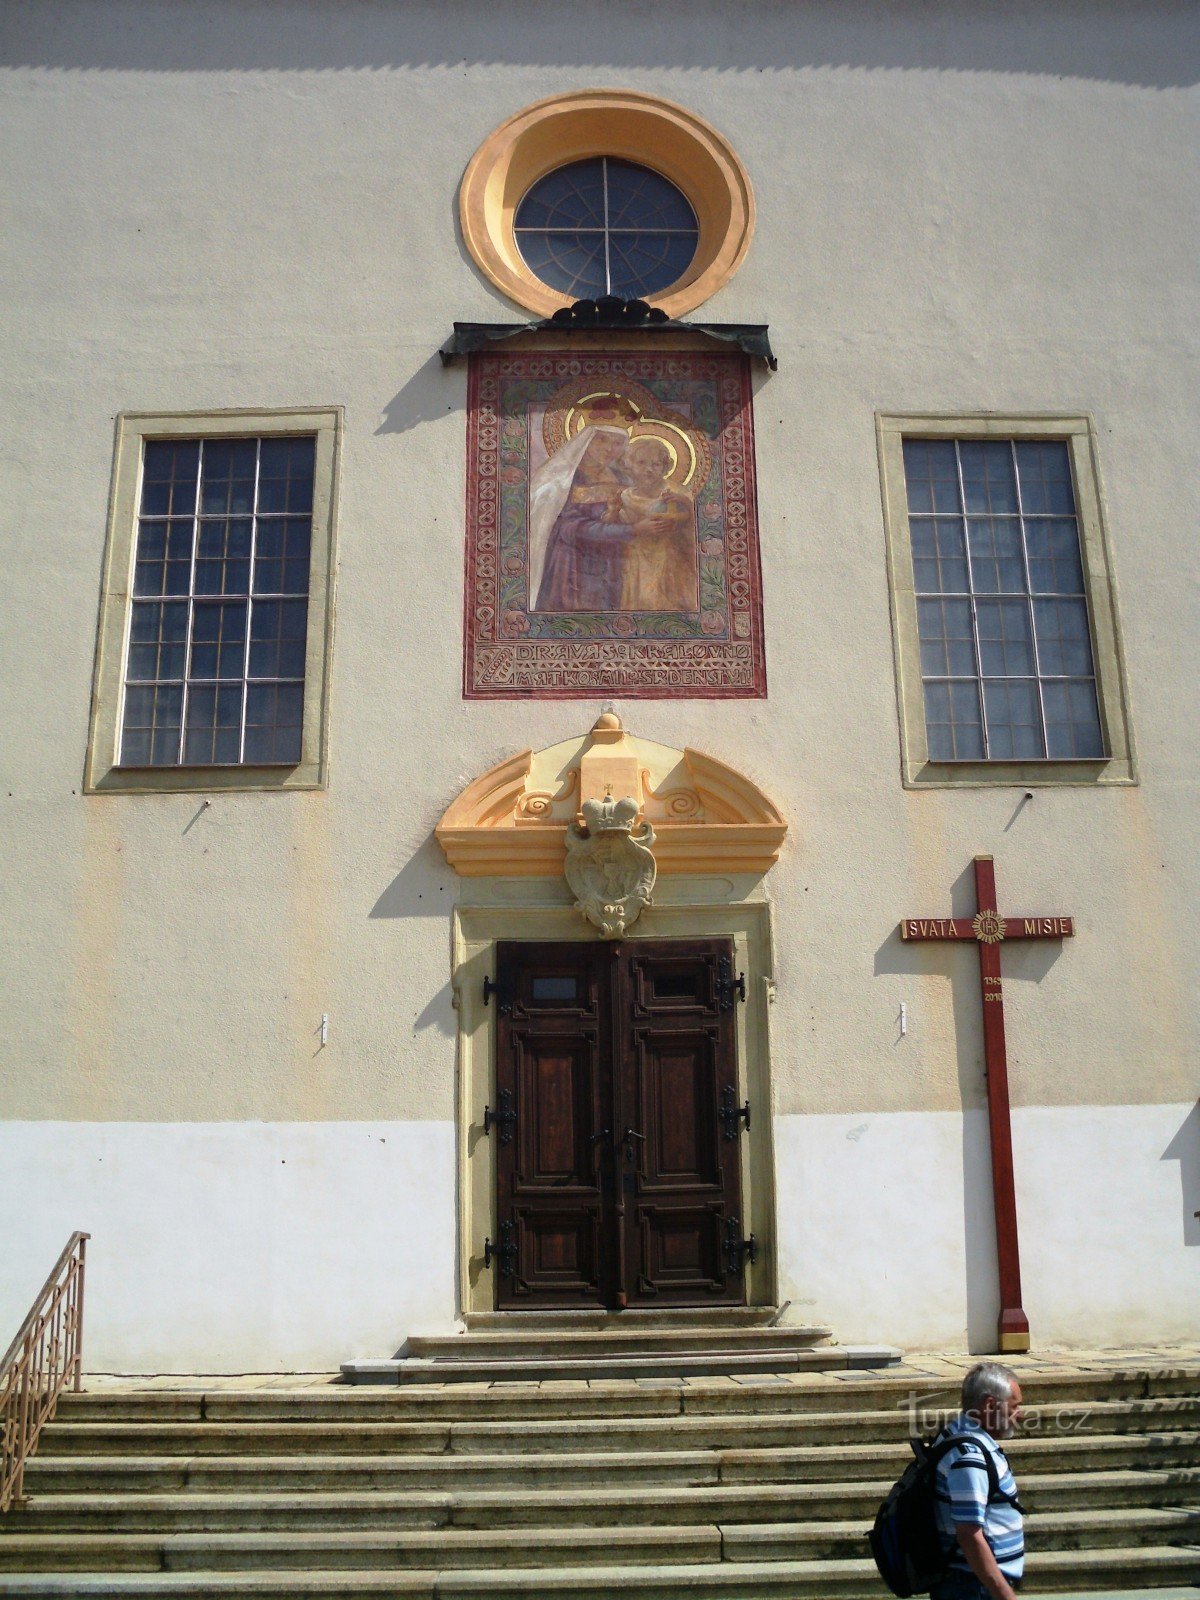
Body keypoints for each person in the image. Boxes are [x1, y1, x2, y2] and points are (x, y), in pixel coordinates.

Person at [932, 1362, 1026, 1600]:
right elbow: (969, 1535)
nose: (1021, 1415)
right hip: (974, 1588)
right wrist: (1004, 1594)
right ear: (989, 1405)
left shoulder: (957, 1432)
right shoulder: (969, 1456)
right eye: (1015, 1407)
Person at [528, 425, 632, 612]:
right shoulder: (565, 478)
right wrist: (630, 530)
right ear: (586, 440)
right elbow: (567, 526)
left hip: (612, 561)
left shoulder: (622, 477)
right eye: (601, 440)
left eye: (617, 443)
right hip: (572, 563)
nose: (609, 449)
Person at [615, 436, 699, 612]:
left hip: (670, 560)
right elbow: (620, 527)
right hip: (636, 562)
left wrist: (686, 506)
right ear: (628, 466)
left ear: (665, 467)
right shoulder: (625, 496)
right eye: (642, 463)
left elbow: (696, 524)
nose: (649, 470)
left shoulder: (676, 493)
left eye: (656, 464)